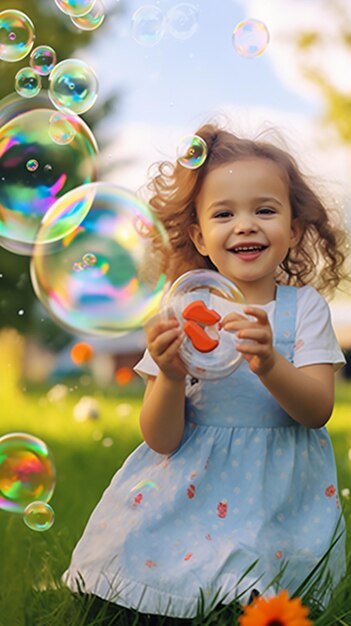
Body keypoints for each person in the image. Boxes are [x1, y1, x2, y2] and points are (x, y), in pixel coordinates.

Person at [62, 122, 350, 619]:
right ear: (198, 234)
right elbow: (162, 439)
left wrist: (270, 364)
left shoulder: (303, 309)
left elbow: (317, 410)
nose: (246, 225)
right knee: (152, 566)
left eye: (265, 210)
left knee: (262, 590)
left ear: (294, 229)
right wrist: (171, 377)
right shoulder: (186, 311)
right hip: (190, 487)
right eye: (224, 213)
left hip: (276, 494)